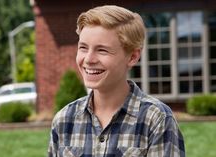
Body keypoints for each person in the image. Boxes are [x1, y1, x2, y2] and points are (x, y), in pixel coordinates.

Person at [48, 5, 185, 157]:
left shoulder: (156, 120)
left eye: (102, 50)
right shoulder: (64, 120)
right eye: (83, 48)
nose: (88, 59)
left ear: (133, 57)